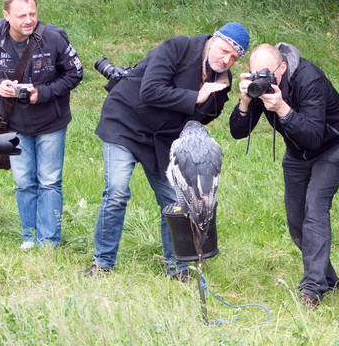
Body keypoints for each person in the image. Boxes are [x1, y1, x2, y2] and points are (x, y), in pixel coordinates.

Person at [91, 23, 248, 280]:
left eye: (234, 57)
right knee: (117, 190)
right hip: (125, 121)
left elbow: (203, 117)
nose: (226, 59)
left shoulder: (222, 79)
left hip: (163, 138)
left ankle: (177, 267)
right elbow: (150, 91)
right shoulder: (179, 47)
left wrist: (219, 98)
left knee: (176, 201)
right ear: (214, 39)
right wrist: (197, 96)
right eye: (224, 50)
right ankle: (102, 262)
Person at [229, 43, 339, 308]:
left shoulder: (308, 78)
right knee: (296, 220)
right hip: (298, 150)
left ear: (283, 67)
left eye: (266, 72)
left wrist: (282, 109)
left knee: (315, 208)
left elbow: (313, 136)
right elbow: (238, 132)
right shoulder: (261, 86)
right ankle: (329, 279)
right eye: (255, 73)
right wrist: (245, 100)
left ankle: (312, 288)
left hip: (335, 144)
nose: (262, 78)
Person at [0, 0, 84, 249]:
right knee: (23, 183)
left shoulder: (54, 37)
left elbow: (75, 73)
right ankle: (29, 236)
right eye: (21, 15)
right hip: (12, 121)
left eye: (32, 13)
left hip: (51, 122)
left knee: (49, 181)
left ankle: (50, 240)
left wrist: (42, 93)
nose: (28, 19)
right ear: (6, 16)